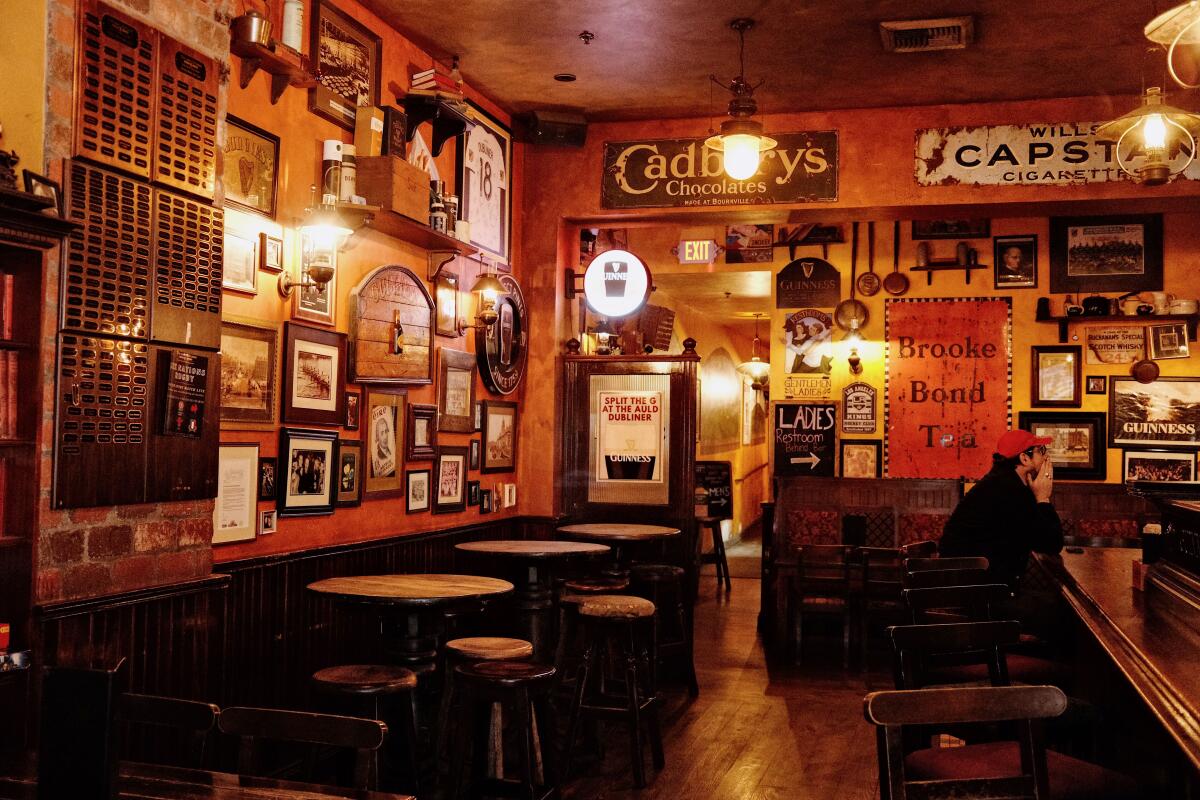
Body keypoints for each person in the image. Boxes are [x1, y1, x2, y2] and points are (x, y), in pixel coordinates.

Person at [939, 429, 1063, 591]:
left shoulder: (1004, 482)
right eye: (1041, 451)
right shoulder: (1009, 489)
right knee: (1055, 611)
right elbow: (1051, 544)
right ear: (1025, 458)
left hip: (971, 581)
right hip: (976, 591)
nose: (1046, 457)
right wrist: (1043, 499)